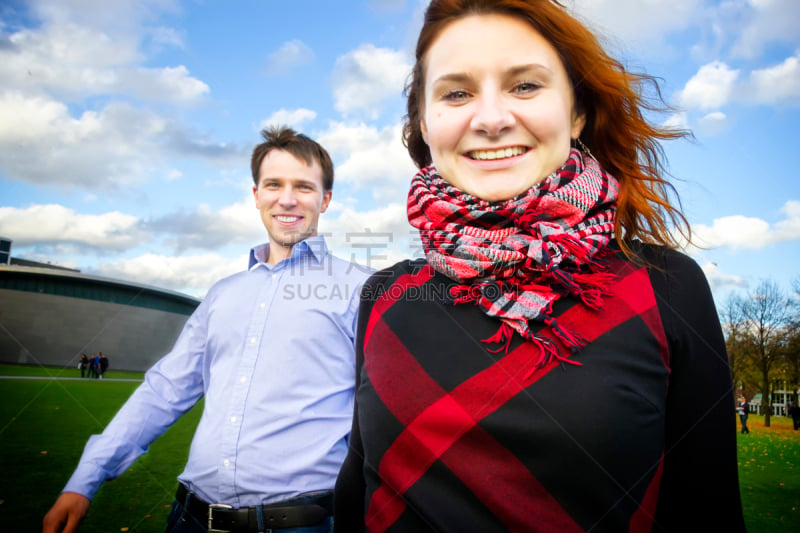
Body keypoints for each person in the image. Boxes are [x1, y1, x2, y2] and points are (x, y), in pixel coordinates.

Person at [334, 1, 746, 532]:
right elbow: (356, 491)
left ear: (576, 113)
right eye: (456, 93)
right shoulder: (385, 294)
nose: (491, 118)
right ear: (424, 121)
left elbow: (707, 512)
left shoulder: (666, 287)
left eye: (525, 85)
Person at [43, 126, 371, 533]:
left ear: (325, 200)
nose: (287, 199)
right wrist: (85, 478)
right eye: (274, 184)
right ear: (256, 196)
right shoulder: (221, 295)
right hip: (190, 520)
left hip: (301, 524)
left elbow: (390, 409)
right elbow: (165, 390)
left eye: (303, 187)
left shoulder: (363, 289)